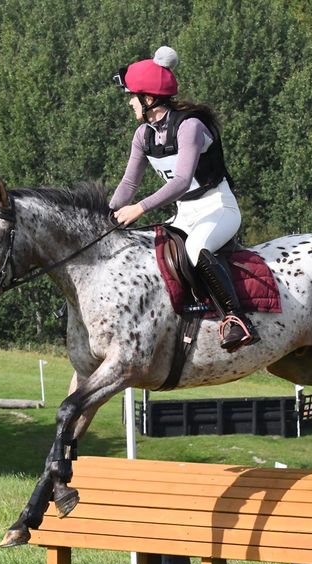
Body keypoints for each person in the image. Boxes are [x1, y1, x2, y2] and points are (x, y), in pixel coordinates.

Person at [108, 46, 256, 349]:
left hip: (218, 207)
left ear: (149, 99)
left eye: (132, 97)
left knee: (196, 248)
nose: (130, 104)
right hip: (184, 214)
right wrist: (105, 214)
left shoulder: (189, 127)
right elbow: (128, 185)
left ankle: (236, 319)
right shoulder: (143, 135)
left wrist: (140, 208)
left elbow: (181, 182)